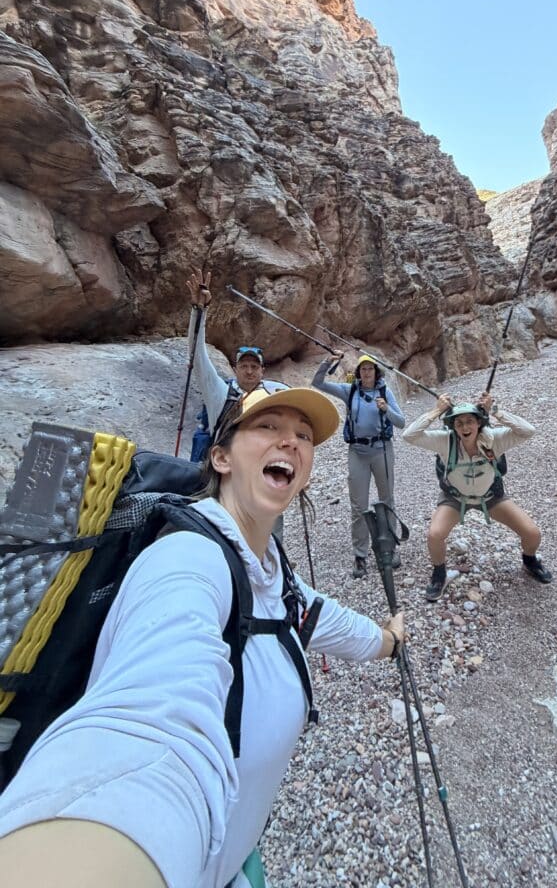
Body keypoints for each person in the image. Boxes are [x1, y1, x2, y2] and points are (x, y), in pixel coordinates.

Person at [0, 385, 405, 888]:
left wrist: (387, 640)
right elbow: (149, 724)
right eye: (268, 427)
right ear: (220, 458)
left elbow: (311, 614)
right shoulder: (188, 561)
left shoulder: (265, 568)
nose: (292, 442)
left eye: (303, 435)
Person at [403, 391, 552, 601]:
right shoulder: (445, 441)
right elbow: (408, 436)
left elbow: (528, 431)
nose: (465, 427)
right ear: (453, 426)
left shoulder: (494, 439)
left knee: (532, 534)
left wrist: (496, 411)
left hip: (490, 497)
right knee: (434, 535)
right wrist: (436, 410)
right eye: (459, 423)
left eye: (470, 421)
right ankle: (439, 573)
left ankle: (529, 561)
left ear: (479, 423)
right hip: (455, 499)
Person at [312, 352, 405, 578]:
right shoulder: (350, 390)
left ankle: (389, 549)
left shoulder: (385, 392)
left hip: (382, 449)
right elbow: (317, 383)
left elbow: (400, 422)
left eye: (370, 369)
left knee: (387, 500)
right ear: (358, 372)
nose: (366, 373)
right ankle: (360, 555)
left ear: (376, 372)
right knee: (358, 506)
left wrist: (386, 409)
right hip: (357, 452)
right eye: (362, 369)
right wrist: (328, 361)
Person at [185, 268, 286, 461]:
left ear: (262, 371)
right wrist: (199, 311)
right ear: (235, 369)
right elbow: (197, 354)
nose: (249, 371)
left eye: (254, 367)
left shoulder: (273, 397)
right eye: (244, 366)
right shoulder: (220, 394)